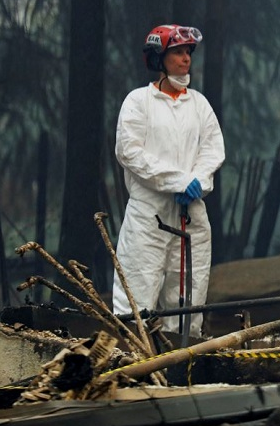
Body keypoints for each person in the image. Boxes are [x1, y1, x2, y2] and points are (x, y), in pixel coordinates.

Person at [113, 24, 225, 335]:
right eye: (178, 52)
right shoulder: (138, 102)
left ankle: (180, 368)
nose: (186, 58)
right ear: (159, 58)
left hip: (191, 212)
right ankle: (131, 363)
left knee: (189, 294)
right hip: (149, 214)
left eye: (188, 52)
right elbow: (129, 152)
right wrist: (177, 180)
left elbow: (214, 149)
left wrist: (198, 183)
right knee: (137, 291)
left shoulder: (199, 104)